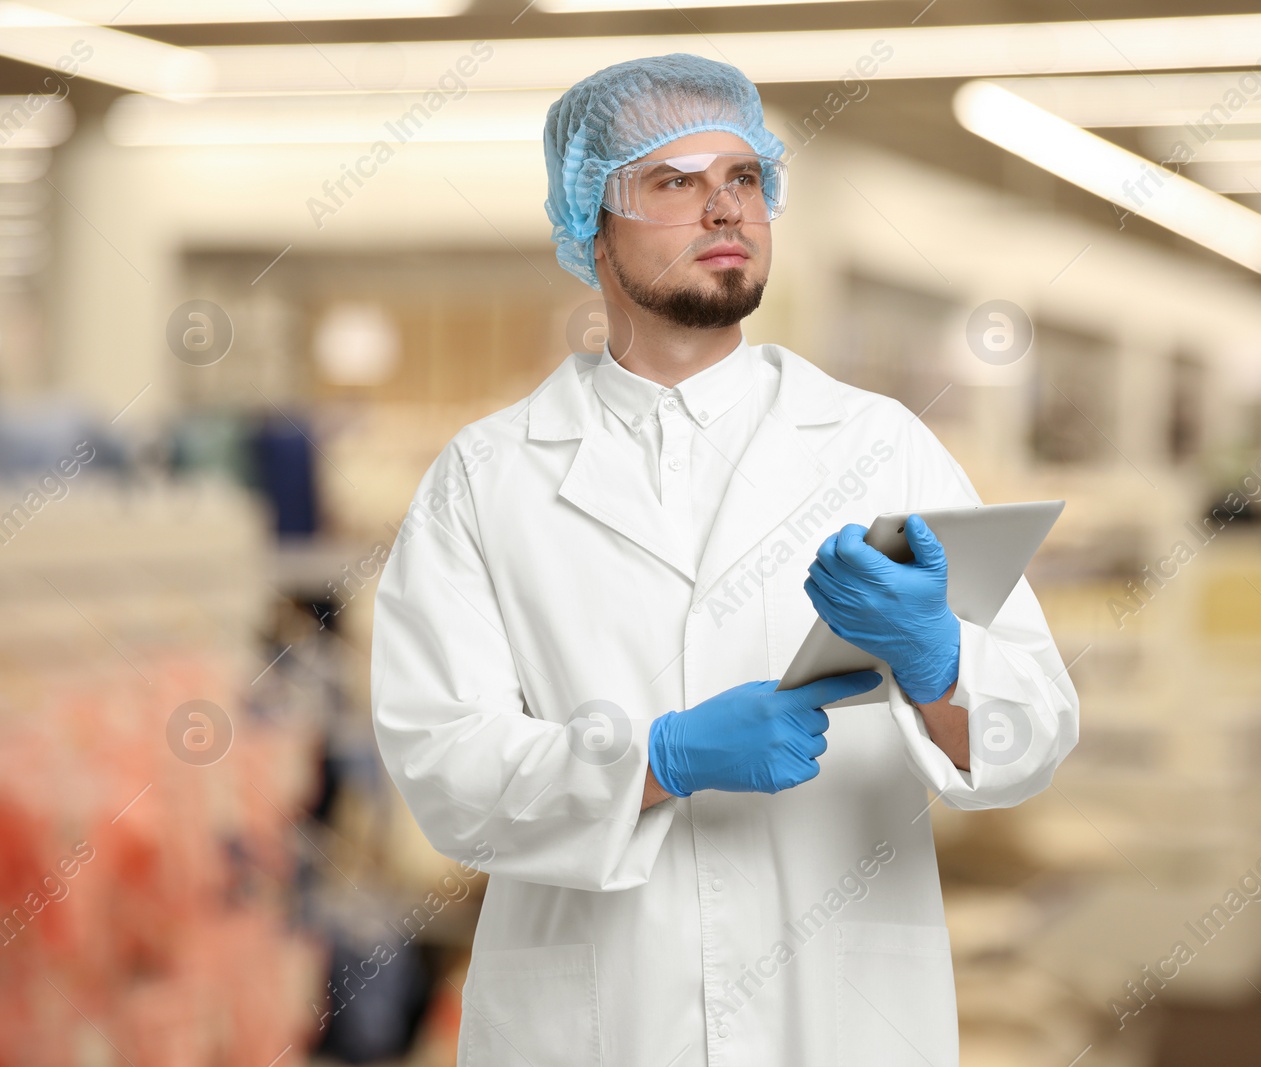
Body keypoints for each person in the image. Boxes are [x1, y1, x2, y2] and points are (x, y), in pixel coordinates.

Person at [370, 52, 1079, 1067]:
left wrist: (941, 664)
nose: (725, 211)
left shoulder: (880, 446)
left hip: (838, 1011)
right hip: (596, 1019)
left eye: (743, 178)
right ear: (589, 223)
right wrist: (652, 762)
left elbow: (1037, 731)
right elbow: (442, 769)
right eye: (674, 182)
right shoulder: (486, 477)